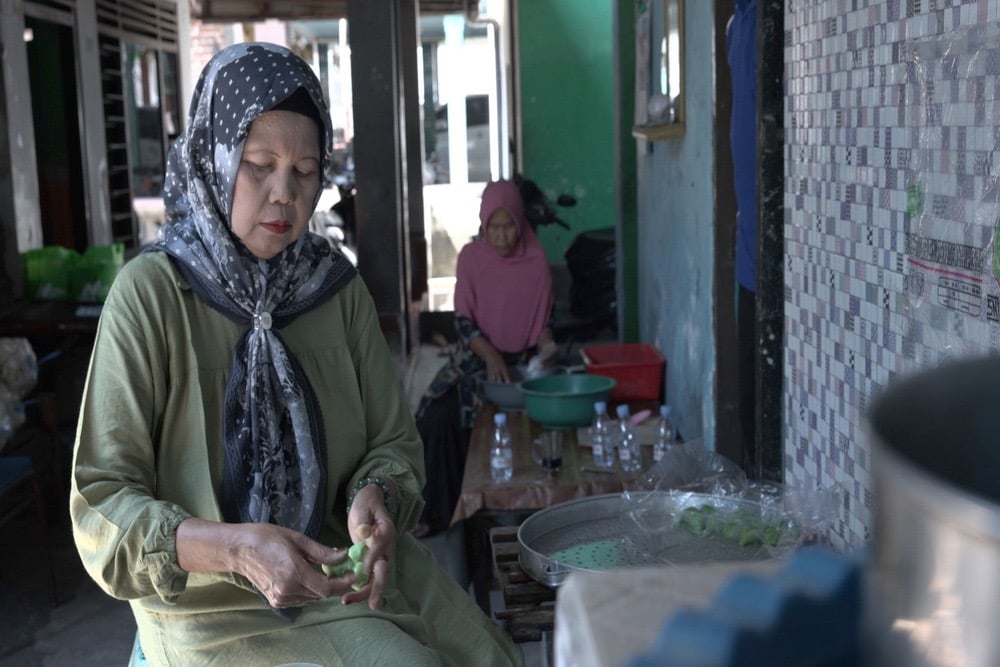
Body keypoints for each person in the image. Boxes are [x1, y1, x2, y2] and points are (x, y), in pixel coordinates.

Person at [69, 42, 521, 667]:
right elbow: (103, 505)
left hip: (344, 573)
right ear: (215, 159)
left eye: (306, 171)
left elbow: (392, 444)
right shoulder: (152, 296)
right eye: (259, 164)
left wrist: (375, 498)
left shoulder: (333, 288)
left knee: (490, 656)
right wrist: (236, 550)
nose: (285, 193)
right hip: (209, 605)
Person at [413, 180, 556, 536]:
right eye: (494, 227)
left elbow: (543, 325)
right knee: (436, 415)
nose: (503, 235)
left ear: (521, 224)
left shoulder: (537, 262)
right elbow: (463, 322)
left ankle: (501, 509)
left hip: (520, 364)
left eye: (509, 226)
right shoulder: (471, 258)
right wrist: (491, 356)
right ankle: (436, 513)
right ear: (483, 225)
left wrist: (548, 348)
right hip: (476, 355)